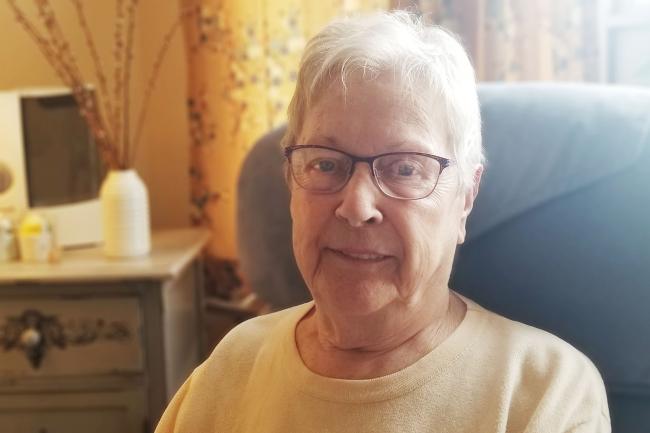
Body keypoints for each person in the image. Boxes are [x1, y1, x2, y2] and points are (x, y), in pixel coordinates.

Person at [155, 11, 610, 433]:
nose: (356, 206)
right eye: (327, 164)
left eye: (405, 168)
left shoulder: (542, 393)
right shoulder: (231, 365)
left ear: (466, 197)